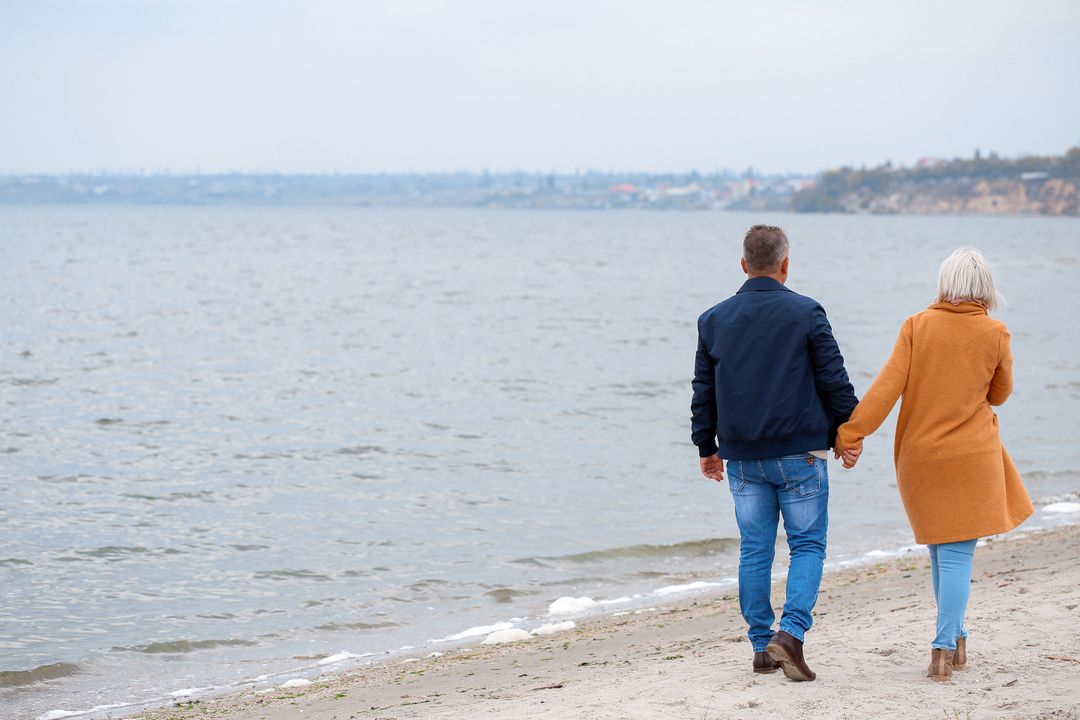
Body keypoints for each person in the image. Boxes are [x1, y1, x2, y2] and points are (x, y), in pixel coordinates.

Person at [835, 246, 1033, 682]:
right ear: (984, 288)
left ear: (945, 283)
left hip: (921, 459)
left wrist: (851, 434)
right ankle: (943, 647)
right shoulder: (996, 333)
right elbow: (999, 395)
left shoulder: (916, 326)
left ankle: (957, 638)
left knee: (942, 552)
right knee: (957, 554)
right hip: (973, 457)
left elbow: (886, 389)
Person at [691, 224, 858, 681]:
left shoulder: (713, 319)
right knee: (807, 545)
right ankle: (791, 634)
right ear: (786, 264)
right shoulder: (806, 312)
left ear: (743, 264)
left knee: (755, 550)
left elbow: (703, 391)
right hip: (800, 453)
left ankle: (762, 647)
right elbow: (834, 379)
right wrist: (852, 430)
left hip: (742, 456)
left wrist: (706, 446)